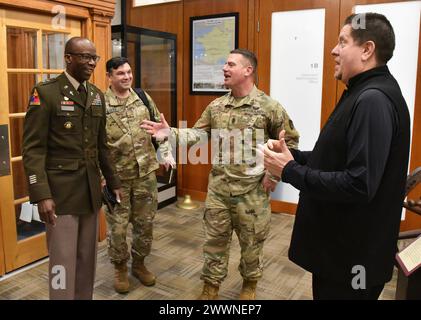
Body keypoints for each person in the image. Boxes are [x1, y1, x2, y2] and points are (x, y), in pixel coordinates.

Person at [260, 13, 410, 300]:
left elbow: (359, 183)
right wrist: (296, 156)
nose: (333, 50)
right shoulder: (363, 93)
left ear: (367, 50)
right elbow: (339, 157)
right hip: (345, 255)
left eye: (342, 42)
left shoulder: (372, 100)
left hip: (352, 262)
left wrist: (289, 170)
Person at [141, 49, 299, 300]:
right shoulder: (216, 106)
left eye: (230, 64)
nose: (224, 68)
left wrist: (275, 175)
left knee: (251, 244)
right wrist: (169, 132)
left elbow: (289, 144)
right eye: (224, 64)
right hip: (219, 191)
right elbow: (196, 134)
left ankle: (250, 285)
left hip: (253, 193)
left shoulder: (269, 107)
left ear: (248, 70)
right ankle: (211, 287)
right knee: (214, 243)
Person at [22, 37, 122, 300]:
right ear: (68, 58)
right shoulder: (46, 92)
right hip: (60, 195)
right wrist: (41, 194)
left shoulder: (97, 95)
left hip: (90, 193)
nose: (91, 62)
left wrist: (114, 183)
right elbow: (33, 149)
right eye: (84, 57)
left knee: (86, 259)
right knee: (62, 262)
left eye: (94, 58)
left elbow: (102, 147)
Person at [103, 57, 174, 293]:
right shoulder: (101, 103)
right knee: (118, 227)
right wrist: (100, 177)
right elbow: (93, 144)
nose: (127, 77)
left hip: (145, 175)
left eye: (129, 72)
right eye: (121, 73)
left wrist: (165, 153)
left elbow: (159, 129)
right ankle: (120, 268)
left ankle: (140, 264)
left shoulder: (142, 98)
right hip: (116, 180)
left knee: (145, 224)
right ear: (109, 76)